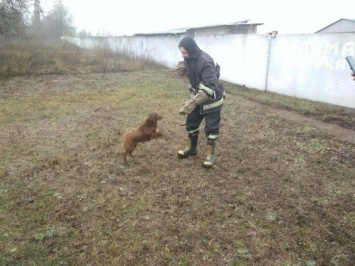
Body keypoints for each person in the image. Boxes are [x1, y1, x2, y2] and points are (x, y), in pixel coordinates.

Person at [176, 36, 224, 168]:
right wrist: (182, 66)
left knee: (211, 128)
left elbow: (208, 87)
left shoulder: (205, 61)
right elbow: (189, 65)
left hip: (212, 99)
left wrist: (191, 104)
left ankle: (210, 156)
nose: (183, 55)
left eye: (184, 52)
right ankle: (191, 149)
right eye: (181, 53)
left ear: (191, 50)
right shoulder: (190, 58)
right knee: (191, 124)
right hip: (198, 97)